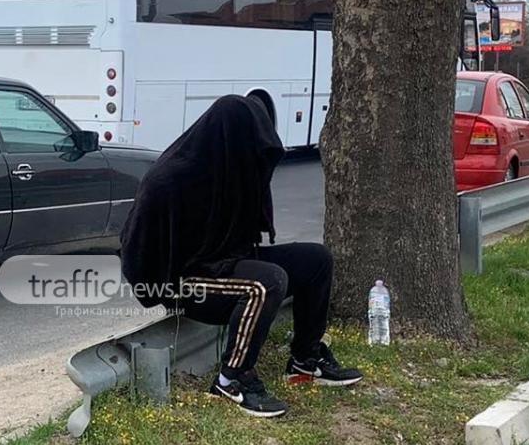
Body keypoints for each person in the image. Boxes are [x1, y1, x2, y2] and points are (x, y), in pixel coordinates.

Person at [119, 94, 363, 418]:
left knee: (316, 260)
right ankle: (231, 380)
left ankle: (306, 359)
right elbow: (136, 250)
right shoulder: (169, 180)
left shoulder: (235, 172)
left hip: (225, 262)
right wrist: (163, 291)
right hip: (186, 282)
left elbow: (250, 232)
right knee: (266, 283)